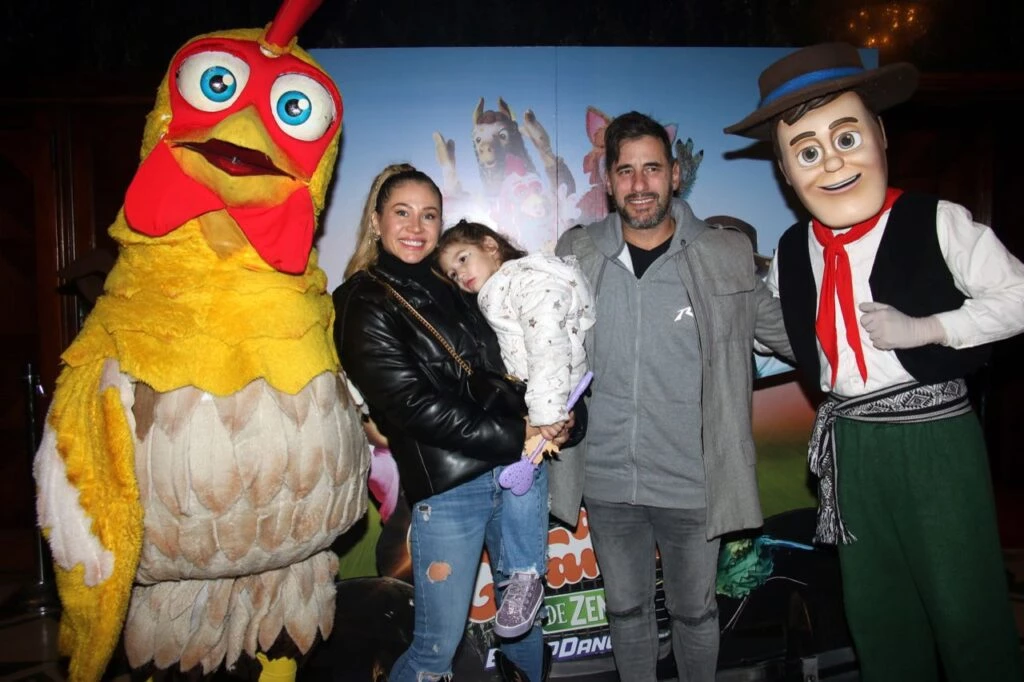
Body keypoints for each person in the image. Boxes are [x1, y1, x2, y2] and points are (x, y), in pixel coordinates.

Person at [724, 42, 1024, 681]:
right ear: (785, 169)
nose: (831, 162)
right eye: (807, 151)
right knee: (877, 608)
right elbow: (773, 331)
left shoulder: (937, 221)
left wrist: (929, 328)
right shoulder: (791, 250)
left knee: (964, 601)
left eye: (845, 137)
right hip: (851, 444)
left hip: (935, 440)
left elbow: (1019, 296)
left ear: (880, 135)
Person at [549, 111, 792, 682]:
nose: (639, 184)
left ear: (675, 175)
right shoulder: (576, 253)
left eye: (652, 168)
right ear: (608, 181)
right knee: (626, 610)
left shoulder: (723, 254)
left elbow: (794, 337)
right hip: (608, 481)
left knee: (695, 612)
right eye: (626, 170)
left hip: (693, 482)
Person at [333, 164, 571, 682]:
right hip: (450, 489)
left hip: (517, 472)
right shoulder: (360, 299)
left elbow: (516, 362)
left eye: (429, 215)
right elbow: (407, 405)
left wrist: (562, 414)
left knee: (525, 627)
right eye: (402, 212)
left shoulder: (462, 284)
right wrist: (517, 434)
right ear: (376, 221)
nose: (416, 226)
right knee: (435, 649)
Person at [436, 220, 596, 638]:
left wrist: (548, 413)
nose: (462, 276)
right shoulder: (492, 295)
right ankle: (523, 575)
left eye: (464, 259)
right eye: (453, 273)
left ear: (491, 244)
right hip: (529, 409)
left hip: (542, 400)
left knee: (524, 472)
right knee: (523, 469)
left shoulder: (522, 280)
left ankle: (526, 572)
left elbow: (547, 343)